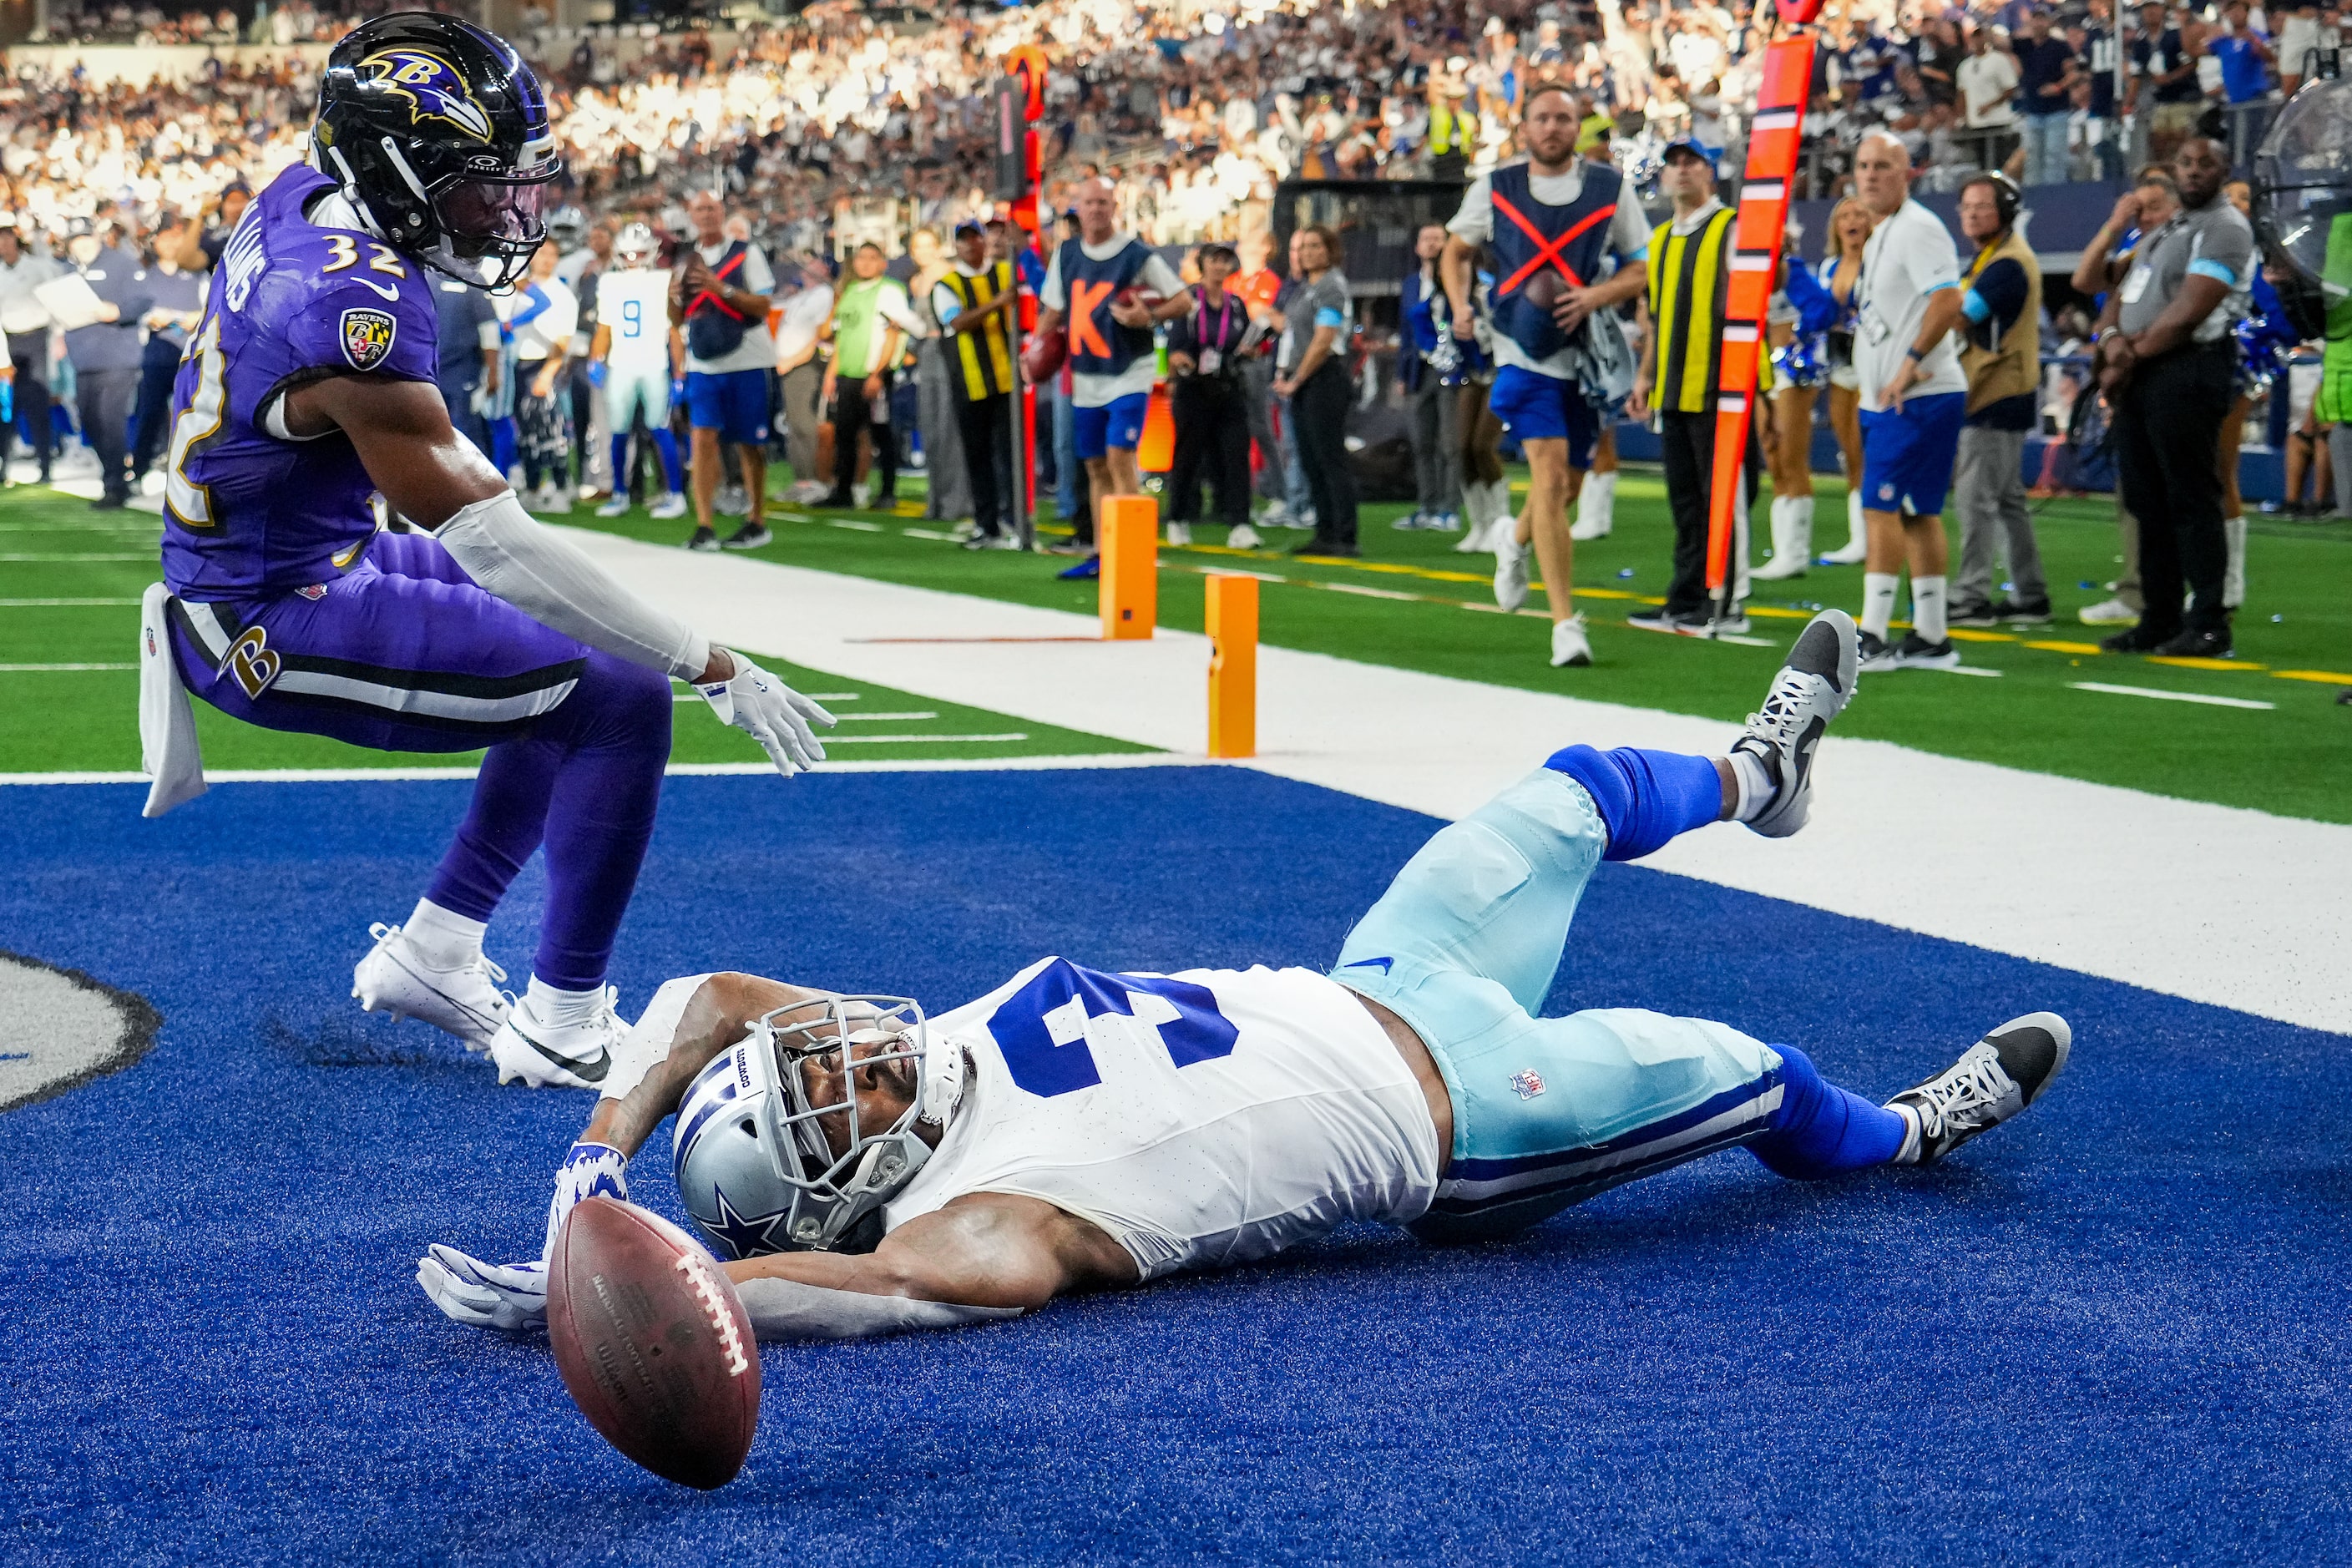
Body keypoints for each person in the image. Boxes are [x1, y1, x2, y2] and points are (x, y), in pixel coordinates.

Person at [421, 611, 2073, 1345]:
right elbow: (901, 1291)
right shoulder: (991, 1212)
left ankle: (1747, 776)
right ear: (848, 1190)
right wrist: (632, 1302)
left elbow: (704, 995)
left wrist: (593, 1161)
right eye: (834, 1097)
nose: (849, 1052)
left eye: (822, 1057)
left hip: (1388, 971)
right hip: (1470, 1124)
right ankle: (1910, 1133)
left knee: (1572, 787)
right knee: (1768, 1078)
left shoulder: (910, 1085)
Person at [149, 14, 833, 1093]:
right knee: (623, 695)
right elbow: (496, 546)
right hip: (263, 611)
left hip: (302, 551)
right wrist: (709, 659)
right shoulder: (351, 303)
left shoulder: (309, 197)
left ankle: (438, 950)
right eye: (477, 181)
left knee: (578, 658)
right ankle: (566, 1019)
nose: (504, 208)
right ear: (395, 171)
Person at [1443, 83, 1651, 669]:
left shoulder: (1611, 187)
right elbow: (1454, 250)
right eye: (1542, 118)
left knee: (1565, 487)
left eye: (1563, 118)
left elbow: (1640, 267)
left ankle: (1512, 540)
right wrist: (1460, 305)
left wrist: (1594, 296)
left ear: (1576, 126)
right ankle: (1565, 624)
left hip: (1582, 355)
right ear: (1524, 127)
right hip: (1519, 351)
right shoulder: (1495, 185)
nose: (1553, 127)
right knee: (1551, 472)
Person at [2092, 136, 2254, 659]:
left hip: (2187, 370)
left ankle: (2208, 622)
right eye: (2185, 163)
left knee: (2192, 497)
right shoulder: (2166, 232)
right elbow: (2117, 298)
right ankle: (2159, 618)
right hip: (2142, 373)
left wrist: (2124, 357)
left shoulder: (2226, 228)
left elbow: (2190, 311)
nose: (2193, 171)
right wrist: (2114, 344)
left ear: (2224, 170)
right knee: (2147, 500)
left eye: (2205, 163)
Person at [1849, 132, 1969, 673]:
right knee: (1918, 512)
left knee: (1880, 508)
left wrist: (1908, 360)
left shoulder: (1917, 228)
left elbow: (1948, 298)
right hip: (1894, 396)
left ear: (1906, 172)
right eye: (1863, 166)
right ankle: (1930, 634)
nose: (1870, 175)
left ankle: (1871, 634)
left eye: (1882, 165)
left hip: (1915, 395)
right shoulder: (1882, 234)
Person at [1626, 139, 1755, 635]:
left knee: (1725, 495)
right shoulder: (1660, 241)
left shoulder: (1731, 228)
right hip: (1675, 388)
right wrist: (1644, 378)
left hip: (1721, 387)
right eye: (1673, 164)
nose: (1681, 171)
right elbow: (1656, 320)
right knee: (1684, 499)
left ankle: (1730, 600)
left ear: (1710, 173)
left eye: (1691, 163)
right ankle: (1685, 596)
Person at [1032, 177, 1193, 577]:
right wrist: (1034, 350)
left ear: (1114, 207)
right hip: (1086, 375)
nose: (1096, 210)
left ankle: (1135, 555)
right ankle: (1106, 556)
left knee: (1121, 457)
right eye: (1089, 203)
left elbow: (1183, 298)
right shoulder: (1066, 253)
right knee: (1095, 466)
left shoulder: (1136, 254)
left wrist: (1149, 317)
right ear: (1078, 208)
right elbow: (1053, 309)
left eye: (1104, 203)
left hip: (1128, 371)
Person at [2071, 169, 2182, 627]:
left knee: (2179, 494)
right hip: (2130, 386)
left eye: (2154, 206)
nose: (2146, 216)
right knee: (2136, 494)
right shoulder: (2138, 252)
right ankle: (2144, 591)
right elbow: (2084, 279)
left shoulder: (2182, 248)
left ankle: (2167, 595)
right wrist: (2114, 227)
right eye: (2140, 208)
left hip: (2165, 381)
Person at [1948, 172, 2051, 628]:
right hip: (2006, 390)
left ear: (2005, 212)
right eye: (1966, 206)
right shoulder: (1998, 258)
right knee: (2007, 500)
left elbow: (1960, 316)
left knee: (1976, 499)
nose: (1971, 214)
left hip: (1994, 392)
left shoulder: (2006, 264)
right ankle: (2030, 595)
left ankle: (1971, 595)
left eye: (1982, 206)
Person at [670, 190, 775, 552]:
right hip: (703, 361)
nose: (706, 215)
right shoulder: (685, 260)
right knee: (702, 438)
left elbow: (763, 305)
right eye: (700, 209)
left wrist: (722, 289)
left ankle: (757, 519)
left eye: (712, 209)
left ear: (722, 212)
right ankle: (704, 524)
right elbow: (676, 317)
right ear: (691, 214)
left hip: (748, 359)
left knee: (751, 443)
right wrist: (672, 297)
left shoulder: (747, 253)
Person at [932, 220, 1023, 550]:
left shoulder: (1005, 273)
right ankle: (988, 524)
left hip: (1008, 379)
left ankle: (1013, 520)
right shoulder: (947, 285)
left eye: (975, 238)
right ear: (956, 246)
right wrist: (997, 304)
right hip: (969, 381)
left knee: (1009, 454)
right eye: (964, 240)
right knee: (979, 456)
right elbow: (957, 322)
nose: (970, 245)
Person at [589, 223, 686, 521]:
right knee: (618, 432)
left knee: (661, 429)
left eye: (638, 252)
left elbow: (676, 329)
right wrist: (596, 359)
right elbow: (605, 327)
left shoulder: (663, 280)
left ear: (651, 252)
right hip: (621, 364)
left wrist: (679, 373)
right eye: (627, 253)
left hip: (654, 364)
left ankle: (677, 494)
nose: (632, 258)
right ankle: (620, 493)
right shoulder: (610, 282)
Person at [1272, 225, 1359, 558]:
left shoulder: (1330, 286)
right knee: (1310, 458)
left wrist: (1297, 379)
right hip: (1305, 380)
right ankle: (1325, 531)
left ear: (1329, 250)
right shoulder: (1305, 288)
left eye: (1314, 246)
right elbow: (1294, 335)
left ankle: (1345, 535)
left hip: (1324, 378)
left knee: (1329, 458)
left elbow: (1324, 339)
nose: (1307, 252)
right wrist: (1285, 373)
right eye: (1303, 247)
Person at [1166, 241, 1260, 549]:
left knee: (1236, 455)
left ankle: (1240, 522)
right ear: (1203, 264)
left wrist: (1251, 350)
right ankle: (1178, 517)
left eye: (1224, 261)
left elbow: (1245, 341)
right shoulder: (1189, 302)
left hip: (1228, 387)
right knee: (1186, 456)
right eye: (1214, 261)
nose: (1219, 267)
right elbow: (1176, 344)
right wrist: (1179, 360)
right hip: (1194, 387)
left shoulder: (1235, 305)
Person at [820, 240, 919, 513]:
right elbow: (840, 336)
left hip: (873, 373)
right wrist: (831, 373)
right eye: (861, 258)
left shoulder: (890, 291)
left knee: (882, 433)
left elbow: (893, 333)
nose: (865, 262)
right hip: (848, 374)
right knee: (844, 434)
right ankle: (843, 491)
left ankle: (888, 491)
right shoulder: (850, 291)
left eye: (872, 257)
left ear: (882, 263)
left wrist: (878, 373)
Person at [63, 218, 154, 509]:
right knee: (90, 421)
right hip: (83, 358)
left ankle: (114, 484)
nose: (82, 244)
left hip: (116, 357)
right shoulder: (67, 270)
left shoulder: (122, 264)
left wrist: (117, 310)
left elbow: (143, 299)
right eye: (76, 239)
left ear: (97, 237)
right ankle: (115, 475)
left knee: (110, 421)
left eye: (86, 237)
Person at [1814, 199, 1879, 567]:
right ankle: (1860, 537)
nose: (1852, 221)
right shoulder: (1829, 266)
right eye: (1844, 216)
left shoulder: (1880, 260)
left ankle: (1876, 533)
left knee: (1870, 452)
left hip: (1873, 367)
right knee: (1850, 452)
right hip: (1839, 365)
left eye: (1859, 214)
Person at [130, 214, 209, 494]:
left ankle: (193, 473)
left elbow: (210, 309)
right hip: (156, 354)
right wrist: (152, 317)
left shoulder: (197, 274)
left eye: (175, 237)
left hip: (189, 353)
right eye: (164, 237)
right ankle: (139, 470)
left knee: (192, 413)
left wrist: (193, 318)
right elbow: (137, 312)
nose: (170, 243)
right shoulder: (145, 276)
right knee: (149, 413)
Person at [1399, 222, 1463, 535]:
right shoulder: (1411, 284)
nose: (1432, 244)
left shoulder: (1460, 279)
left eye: (1439, 239)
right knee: (1422, 442)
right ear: (1417, 246)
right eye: (1427, 239)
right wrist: (1401, 374)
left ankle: (1451, 508)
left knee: (1450, 443)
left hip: (1452, 369)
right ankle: (1428, 505)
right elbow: (1405, 332)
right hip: (1419, 370)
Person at [907, 226, 971, 531]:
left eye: (928, 245)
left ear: (938, 247)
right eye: (918, 247)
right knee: (931, 429)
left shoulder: (951, 274)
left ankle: (956, 501)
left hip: (949, 352)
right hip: (926, 354)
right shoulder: (916, 281)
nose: (923, 252)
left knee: (950, 429)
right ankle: (936, 499)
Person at [508, 241, 578, 517]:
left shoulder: (562, 296)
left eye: (552, 254)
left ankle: (561, 489)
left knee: (551, 431)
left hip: (543, 364)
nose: (546, 259)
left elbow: (563, 341)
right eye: (542, 253)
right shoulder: (520, 288)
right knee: (527, 434)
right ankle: (534, 488)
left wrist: (548, 374)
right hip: (519, 365)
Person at [1233, 228, 1294, 528]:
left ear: (1266, 248)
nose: (1244, 246)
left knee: (1262, 427)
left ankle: (1278, 492)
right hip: (1231, 363)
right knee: (1235, 429)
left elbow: (1264, 316)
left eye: (1252, 241)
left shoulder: (1269, 282)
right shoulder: (1236, 281)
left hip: (1258, 362)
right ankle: (1238, 493)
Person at [0, 216, 61, 484]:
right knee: (6, 407)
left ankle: (45, 465)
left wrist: (58, 336)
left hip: (36, 339)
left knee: (37, 403)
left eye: (6, 235)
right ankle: (4, 466)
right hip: (7, 341)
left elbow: (56, 297)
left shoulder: (38, 267)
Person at [772, 251, 835, 505]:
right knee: (794, 424)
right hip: (786, 366)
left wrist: (793, 359)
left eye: (817, 266)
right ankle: (802, 480)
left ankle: (815, 480)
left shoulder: (824, 295)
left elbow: (820, 335)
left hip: (805, 365)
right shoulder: (801, 296)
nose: (810, 269)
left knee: (805, 423)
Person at [2014, 9, 2080, 189]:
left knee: (2054, 156)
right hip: (2033, 110)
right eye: (2036, 19)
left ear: (2049, 23)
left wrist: (2058, 87)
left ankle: (2054, 192)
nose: (2039, 23)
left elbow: (2073, 74)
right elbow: (1998, 42)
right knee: (2032, 156)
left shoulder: (2060, 47)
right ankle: (2034, 192)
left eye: (2042, 19)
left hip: (2056, 110)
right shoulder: (2024, 45)